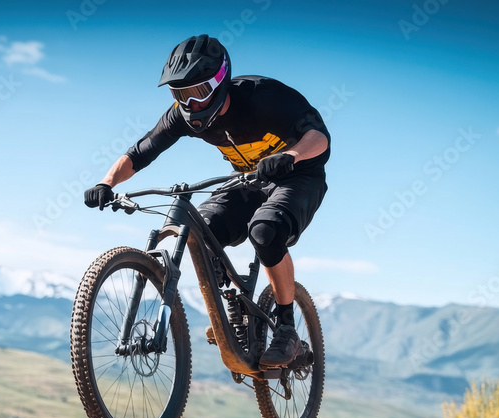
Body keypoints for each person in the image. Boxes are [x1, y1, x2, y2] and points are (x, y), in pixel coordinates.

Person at [84, 34, 330, 368]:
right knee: (202, 228)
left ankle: (287, 328)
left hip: (298, 176)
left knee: (266, 231)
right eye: (180, 94)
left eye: (198, 92)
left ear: (219, 83)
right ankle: (232, 307)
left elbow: (319, 137)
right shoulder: (182, 116)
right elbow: (141, 151)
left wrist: (290, 155)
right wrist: (106, 182)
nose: (190, 104)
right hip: (247, 180)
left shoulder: (264, 98)